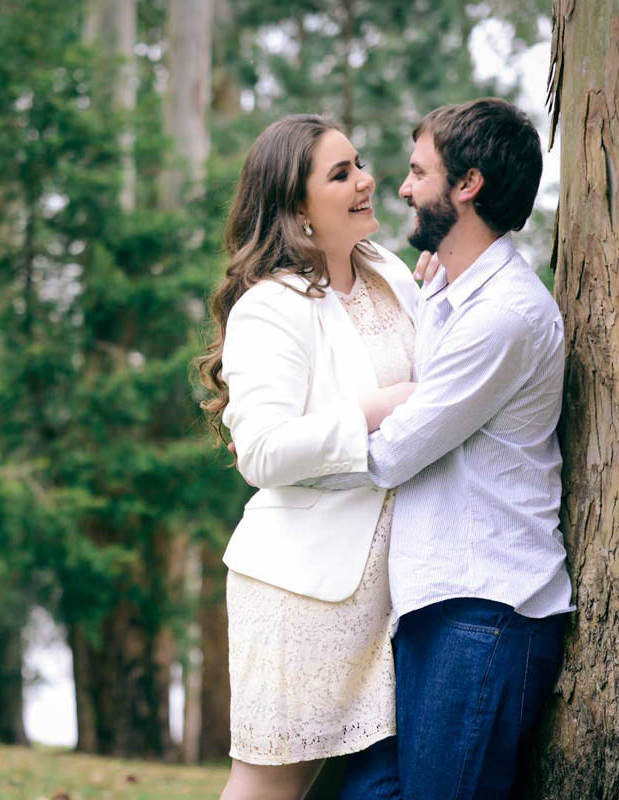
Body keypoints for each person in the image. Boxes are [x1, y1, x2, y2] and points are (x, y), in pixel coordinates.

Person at [319, 97, 574, 800]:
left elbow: (396, 451)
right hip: (434, 606)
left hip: (486, 611)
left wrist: (292, 450)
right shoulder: (445, 297)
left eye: (417, 172)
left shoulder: (505, 315)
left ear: (467, 186)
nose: (401, 187)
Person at [197, 114, 428, 800]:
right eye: (341, 174)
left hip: (390, 592)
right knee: (270, 786)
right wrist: (379, 408)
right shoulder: (270, 306)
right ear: (295, 207)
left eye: (359, 164)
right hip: (302, 591)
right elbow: (261, 453)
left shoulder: (390, 272)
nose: (367, 180)